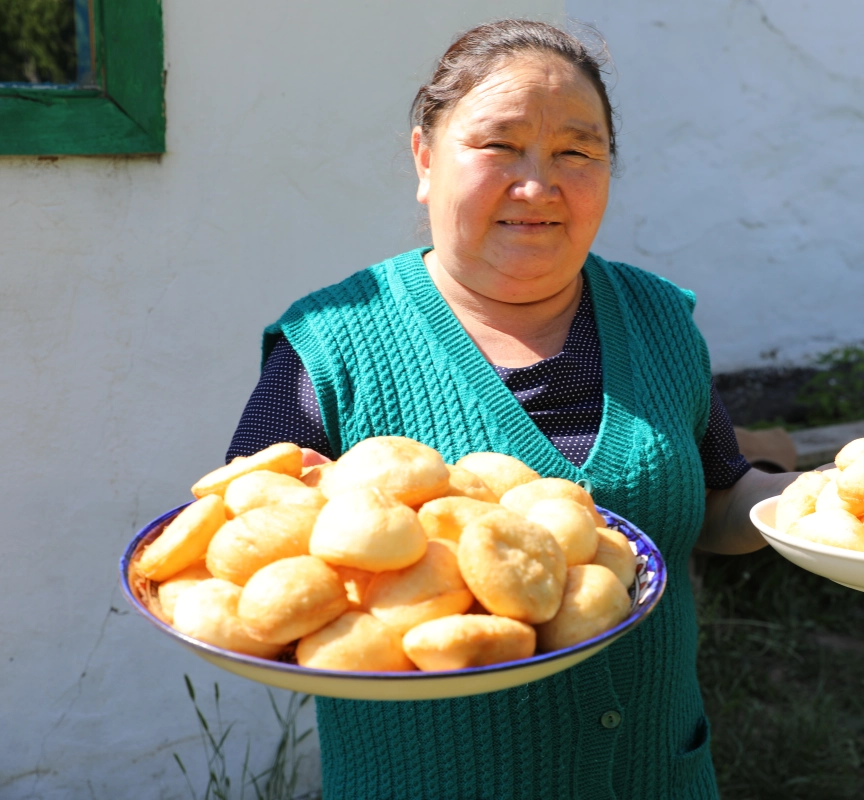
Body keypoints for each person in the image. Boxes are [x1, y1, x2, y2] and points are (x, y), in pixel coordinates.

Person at [226, 19, 797, 800]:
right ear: (426, 159)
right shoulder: (332, 342)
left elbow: (722, 495)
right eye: (499, 146)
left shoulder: (659, 318)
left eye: (577, 150)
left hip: (654, 778)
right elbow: (253, 543)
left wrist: (818, 502)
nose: (539, 186)